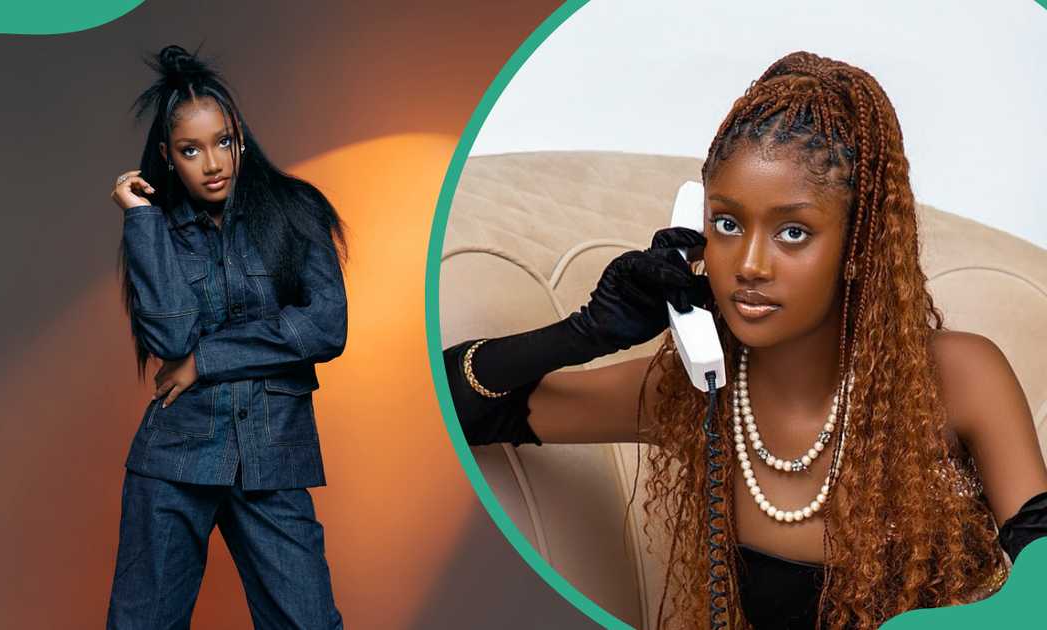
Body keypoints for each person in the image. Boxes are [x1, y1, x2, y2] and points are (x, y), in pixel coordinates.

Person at [443, 51, 1047, 629]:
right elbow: (454, 406)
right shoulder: (694, 394)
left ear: (858, 247)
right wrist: (587, 331)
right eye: (727, 224)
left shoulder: (960, 378)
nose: (750, 263)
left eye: (792, 231)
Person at [106, 45, 347, 629]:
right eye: (190, 150)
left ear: (238, 136)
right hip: (176, 454)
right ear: (168, 157)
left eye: (221, 142)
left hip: (273, 455)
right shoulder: (158, 229)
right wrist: (138, 219)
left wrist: (206, 359)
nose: (212, 163)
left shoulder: (296, 210)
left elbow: (326, 326)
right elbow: (171, 337)